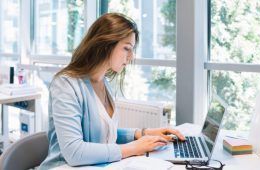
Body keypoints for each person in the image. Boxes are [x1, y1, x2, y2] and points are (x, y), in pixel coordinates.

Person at [39, 13, 185, 169]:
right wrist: (134, 147)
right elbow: (74, 152)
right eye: (126, 48)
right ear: (105, 45)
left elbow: (103, 135)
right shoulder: (66, 84)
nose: (131, 57)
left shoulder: (104, 82)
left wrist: (144, 133)